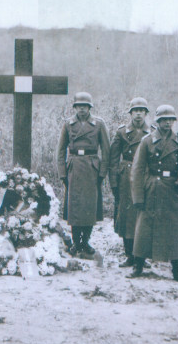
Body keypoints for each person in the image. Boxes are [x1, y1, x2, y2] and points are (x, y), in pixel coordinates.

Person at [128, 104, 178, 282]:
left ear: (174, 121)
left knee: (176, 230)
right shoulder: (147, 141)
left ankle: (177, 268)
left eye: (170, 120)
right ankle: (138, 265)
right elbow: (137, 170)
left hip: (173, 190)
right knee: (144, 229)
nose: (167, 123)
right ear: (157, 121)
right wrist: (138, 196)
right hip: (152, 189)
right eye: (163, 120)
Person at [57, 92, 110, 257]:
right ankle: (75, 242)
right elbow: (60, 151)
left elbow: (106, 151)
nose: (82, 109)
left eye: (85, 106)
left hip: (91, 168)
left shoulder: (99, 124)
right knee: (75, 206)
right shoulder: (68, 125)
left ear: (90, 108)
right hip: (74, 167)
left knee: (89, 207)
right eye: (79, 106)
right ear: (74, 108)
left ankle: (85, 242)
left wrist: (102, 173)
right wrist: (62, 173)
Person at [109, 97, 150, 267]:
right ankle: (129, 255)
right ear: (131, 113)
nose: (138, 114)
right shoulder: (121, 132)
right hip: (126, 175)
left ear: (146, 113)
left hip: (146, 175)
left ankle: (142, 255)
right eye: (135, 111)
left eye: (141, 110)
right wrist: (114, 182)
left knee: (144, 214)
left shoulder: (152, 132)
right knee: (126, 215)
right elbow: (113, 159)